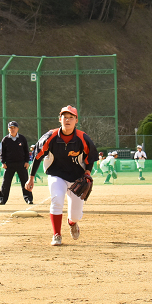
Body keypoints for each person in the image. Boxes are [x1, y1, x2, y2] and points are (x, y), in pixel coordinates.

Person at [25, 105, 98, 246]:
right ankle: (56, 235)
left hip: (77, 178)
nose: (68, 120)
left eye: (71, 117)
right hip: (56, 175)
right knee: (57, 200)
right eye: (65, 117)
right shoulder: (50, 136)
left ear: (76, 120)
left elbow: (91, 156)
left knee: (76, 215)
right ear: (60, 119)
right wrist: (31, 177)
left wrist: (88, 172)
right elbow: (38, 157)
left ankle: (72, 223)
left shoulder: (83, 138)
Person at [0, 121, 32, 205]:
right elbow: (2, 152)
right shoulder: (5, 140)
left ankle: (28, 198)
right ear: (8, 129)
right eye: (11, 128)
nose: (12, 129)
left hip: (21, 164)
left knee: (25, 182)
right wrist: (3, 162)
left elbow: (26, 151)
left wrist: (26, 162)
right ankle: (2, 199)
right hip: (9, 165)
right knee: (6, 183)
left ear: (17, 129)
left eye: (14, 128)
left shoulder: (22, 138)